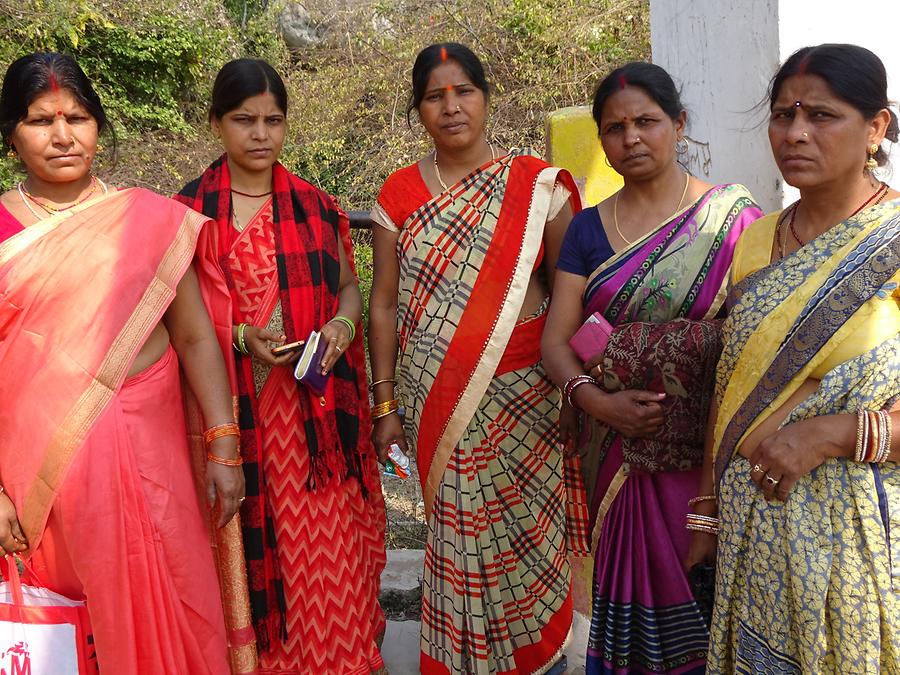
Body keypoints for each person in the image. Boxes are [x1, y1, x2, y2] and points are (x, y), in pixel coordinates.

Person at [0, 53, 249, 673]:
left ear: (99, 126)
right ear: (11, 135)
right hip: (39, 477)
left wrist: (223, 447)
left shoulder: (148, 219)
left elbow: (194, 340)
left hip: (152, 455)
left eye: (78, 118)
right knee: (71, 622)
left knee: (176, 595)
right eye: (40, 121)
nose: (63, 136)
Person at [368, 42, 589, 675]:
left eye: (463, 91)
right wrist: (385, 403)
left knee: (529, 539)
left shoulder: (536, 186)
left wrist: (577, 391)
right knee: (459, 540)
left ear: (486, 98)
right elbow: (382, 306)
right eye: (435, 96)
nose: (451, 106)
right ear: (418, 111)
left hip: (530, 406)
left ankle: (539, 659)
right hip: (440, 403)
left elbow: (569, 298)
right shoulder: (400, 194)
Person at [541, 62, 763, 674]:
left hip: (708, 455)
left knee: (708, 599)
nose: (631, 138)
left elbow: (753, 343)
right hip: (614, 450)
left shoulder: (734, 220)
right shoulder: (588, 228)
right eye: (614, 128)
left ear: (680, 124)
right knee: (626, 614)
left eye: (647, 121)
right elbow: (556, 342)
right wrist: (594, 400)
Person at [687, 43, 900, 672]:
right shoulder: (756, 239)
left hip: (864, 534)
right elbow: (733, 386)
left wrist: (838, 433)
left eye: (823, 116)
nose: (795, 133)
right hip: (755, 530)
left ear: (876, 127)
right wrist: (706, 511)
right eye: (783, 115)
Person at [175, 58, 387, 675]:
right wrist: (240, 335)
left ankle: (336, 661)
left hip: (312, 424)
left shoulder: (317, 209)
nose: (260, 134)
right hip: (232, 423)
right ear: (217, 123)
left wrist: (342, 329)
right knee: (246, 558)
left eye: (273, 120)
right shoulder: (185, 216)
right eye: (244, 119)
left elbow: (349, 288)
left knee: (324, 553)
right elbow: (174, 321)